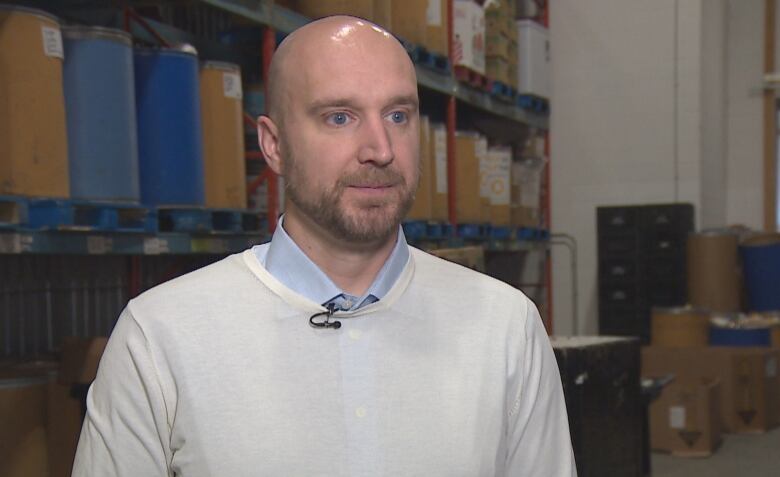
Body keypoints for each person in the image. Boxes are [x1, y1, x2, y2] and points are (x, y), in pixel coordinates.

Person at [72, 15, 576, 477]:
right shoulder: (161, 335)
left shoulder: (505, 326)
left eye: (398, 115)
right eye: (340, 117)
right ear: (274, 145)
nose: (380, 149)